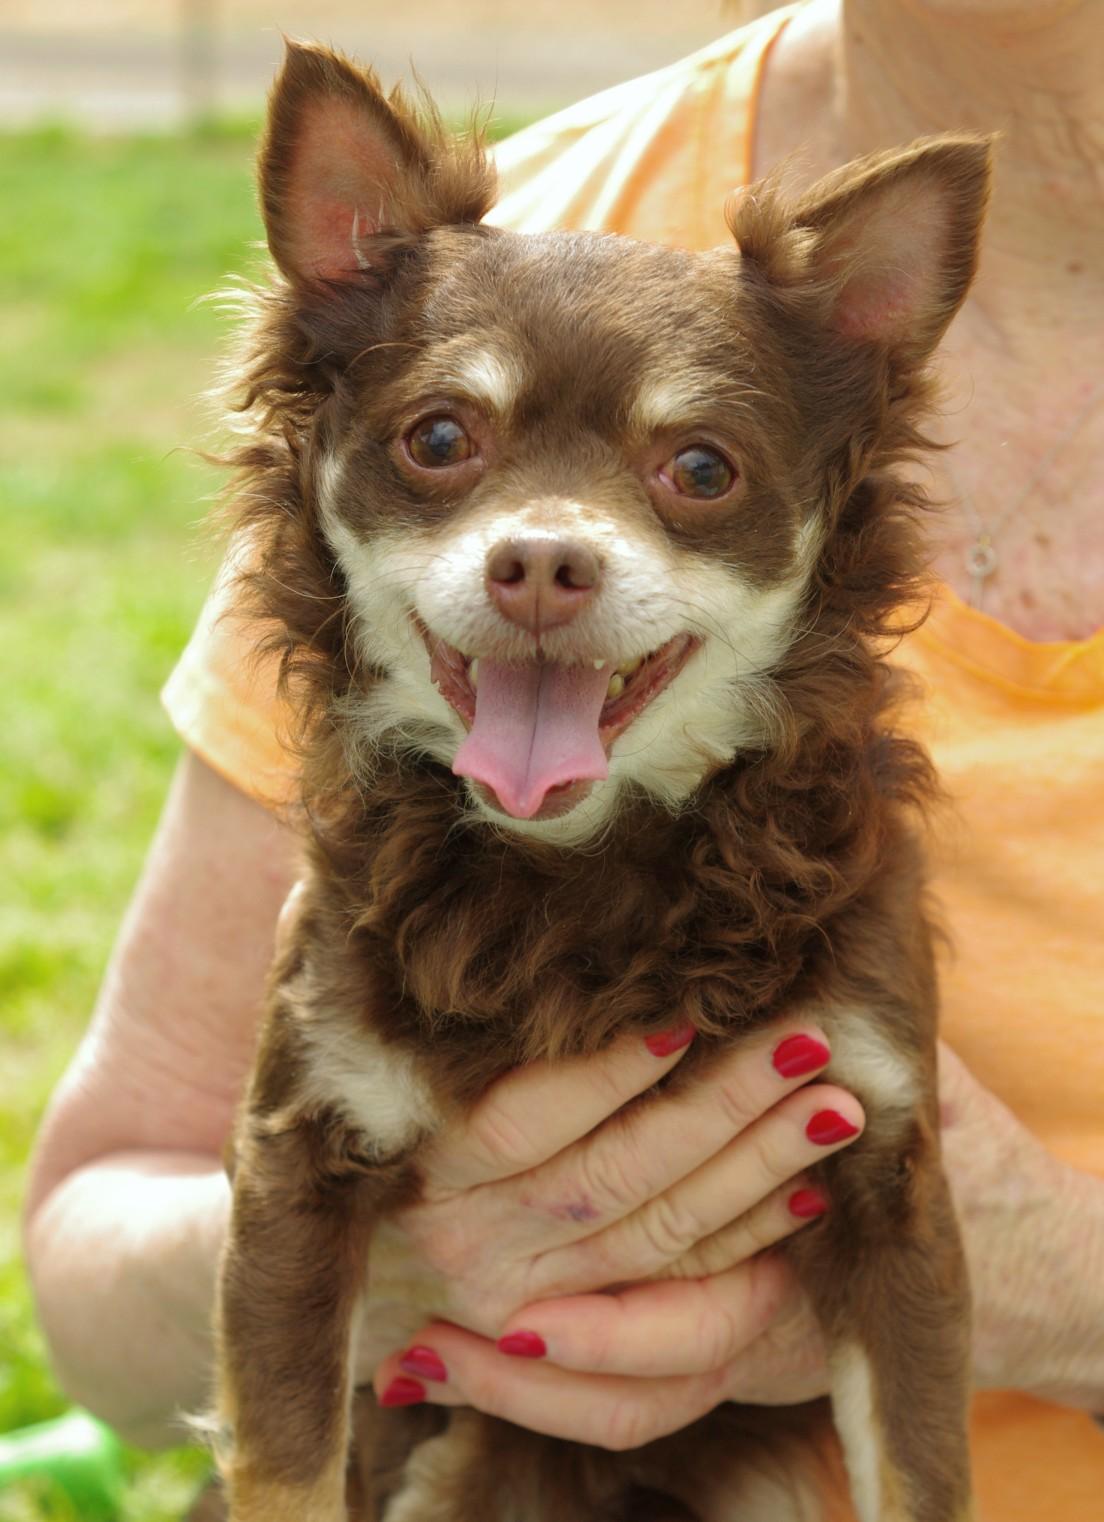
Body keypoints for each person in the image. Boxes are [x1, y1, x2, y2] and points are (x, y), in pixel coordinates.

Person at [23, 2, 1104, 1518]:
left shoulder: (838, 859)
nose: (544, 549)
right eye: (443, 444)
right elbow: (95, 1258)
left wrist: (1061, 1277)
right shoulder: (521, 222)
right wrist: (388, 1254)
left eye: (697, 471)